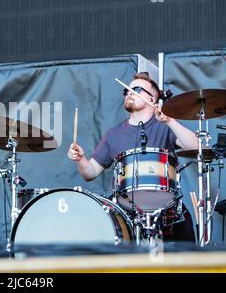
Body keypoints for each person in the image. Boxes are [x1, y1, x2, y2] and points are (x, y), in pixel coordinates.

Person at [68, 72, 199, 242]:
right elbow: (90, 173)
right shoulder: (113, 134)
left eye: (136, 89)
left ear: (152, 99)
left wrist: (169, 121)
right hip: (125, 209)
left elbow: (197, 146)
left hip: (165, 208)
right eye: (127, 90)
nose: (129, 92)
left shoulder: (165, 125)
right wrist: (81, 159)